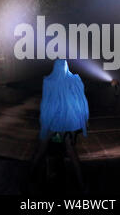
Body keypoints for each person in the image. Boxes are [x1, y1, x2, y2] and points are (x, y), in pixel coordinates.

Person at [30, 59, 89, 191]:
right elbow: (81, 100)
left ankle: (28, 180)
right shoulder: (73, 80)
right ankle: (82, 185)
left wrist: (45, 124)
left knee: (40, 149)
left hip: (53, 123)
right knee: (72, 152)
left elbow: (46, 104)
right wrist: (81, 120)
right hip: (68, 124)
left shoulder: (49, 81)